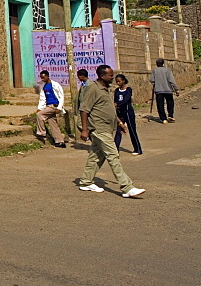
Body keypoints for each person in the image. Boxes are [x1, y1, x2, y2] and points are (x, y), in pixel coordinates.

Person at [77, 65, 144, 197]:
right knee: (113, 155)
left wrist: (119, 123)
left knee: (96, 156)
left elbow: (109, 109)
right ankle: (126, 187)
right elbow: (84, 109)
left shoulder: (106, 89)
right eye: (110, 75)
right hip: (98, 128)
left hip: (107, 128)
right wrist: (85, 130)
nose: (112, 78)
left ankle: (85, 182)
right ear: (102, 76)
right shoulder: (93, 89)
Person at [34, 70, 66, 148]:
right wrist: (40, 108)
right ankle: (60, 141)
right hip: (48, 106)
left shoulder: (55, 84)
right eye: (41, 78)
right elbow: (42, 98)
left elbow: (61, 96)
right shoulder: (43, 86)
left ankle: (41, 132)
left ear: (48, 76)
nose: (43, 79)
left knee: (40, 115)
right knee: (53, 123)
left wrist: (59, 107)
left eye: (44, 78)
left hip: (54, 105)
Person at [113, 74, 142, 155]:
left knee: (132, 130)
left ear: (123, 81)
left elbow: (126, 99)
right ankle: (115, 150)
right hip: (120, 113)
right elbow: (115, 100)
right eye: (116, 81)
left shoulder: (128, 90)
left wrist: (117, 104)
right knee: (119, 131)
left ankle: (137, 149)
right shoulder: (117, 91)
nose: (118, 83)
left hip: (128, 112)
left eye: (119, 81)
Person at [150, 58, 179, 123]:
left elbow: (151, 80)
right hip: (168, 90)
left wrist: (157, 81)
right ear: (163, 63)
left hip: (158, 90)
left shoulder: (154, 70)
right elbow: (171, 81)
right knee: (170, 103)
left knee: (160, 104)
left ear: (157, 64)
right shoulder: (167, 70)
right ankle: (170, 115)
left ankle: (163, 119)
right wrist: (176, 89)